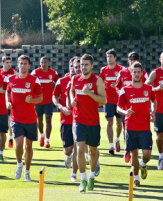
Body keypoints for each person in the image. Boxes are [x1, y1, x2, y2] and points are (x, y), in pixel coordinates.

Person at [69, 54, 106, 192]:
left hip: (93, 121)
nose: (83, 67)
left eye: (86, 65)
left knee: (93, 151)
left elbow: (103, 100)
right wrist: (72, 99)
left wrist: (89, 93)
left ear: (92, 66)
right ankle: (83, 180)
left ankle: (91, 177)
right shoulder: (75, 79)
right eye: (81, 65)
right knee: (79, 148)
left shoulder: (97, 80)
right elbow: (71, 91)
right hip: (78, 119)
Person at [117, 62, 156, 187]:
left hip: (144, 126)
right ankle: (136, 178)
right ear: (131, 73)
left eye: (139, 72)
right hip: (130, 126)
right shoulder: (125, 89)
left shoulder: (148, 88)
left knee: (147, 154)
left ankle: (143, 165)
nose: (137, 74)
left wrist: (153, 112)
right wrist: (125, 111)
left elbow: (153, 101)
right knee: (134, 153)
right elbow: (118, 108)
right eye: (135, 72)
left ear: (142, 73)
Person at [6, 55, 43, 181]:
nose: (23, 65)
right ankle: (19, 164)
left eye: (25, 63)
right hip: (16, 118)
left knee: (28, 147)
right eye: (21, 63)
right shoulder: (11, 79)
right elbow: (8, 91)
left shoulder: (34, 80)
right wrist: (8, 102)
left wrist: (32, 99)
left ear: (29, 66)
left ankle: (27, 171)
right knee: (19, 144)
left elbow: (40, 97)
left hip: (30, 119)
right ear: (17, 65)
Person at [115, 51, 148, 162]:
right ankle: (127, 149)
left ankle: (137, 149)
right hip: (126, 106)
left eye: (135, 59)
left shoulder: (143, 73)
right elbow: (117, 86)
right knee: (127, 128)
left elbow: (148, 86)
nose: (132, 61)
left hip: (140, 105)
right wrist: (123, 94)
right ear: (128, 60)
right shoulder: (122, 72)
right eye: (131, 59)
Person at [53, 57, 78, 182]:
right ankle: (68, 156)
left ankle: (74, 174)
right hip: (66, 120)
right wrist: (61, 107)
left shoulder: (85, 81)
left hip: (80, 121)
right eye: (73, 66)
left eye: (77, 66)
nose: (75, 69)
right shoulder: (61, 81)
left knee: (79, 147)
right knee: (68, 150)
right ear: (70, 67)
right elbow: (54, 96)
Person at [99, 49, 124, 155]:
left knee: (119, 122)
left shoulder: (121, 69)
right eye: (107, 56)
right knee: (109, 122)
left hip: (119, 100)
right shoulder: (103, 70)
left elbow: (126, 83)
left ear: (115, 58)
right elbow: (99, 82)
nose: (108, 59)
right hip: (108, 100)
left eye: (110, 56)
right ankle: (111, 145)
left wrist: (118, 87)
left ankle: (117, 138)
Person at [31, 57, 59, 148]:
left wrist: (56, 94)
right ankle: (42, 134)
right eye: (42, 62)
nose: (43, 64)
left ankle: (47, 140)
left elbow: (58, 84)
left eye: (45, 62)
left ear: (48, 63)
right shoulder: (35, 73)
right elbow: (30, 83)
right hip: (38, 100)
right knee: (39, 120)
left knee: (48, 119)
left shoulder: (53, 73)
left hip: (48, 101)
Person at [0, 56, 17, 149]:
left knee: (10, 119)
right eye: (7, 62)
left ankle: (10, 137)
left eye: (10, 62)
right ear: (3, 63)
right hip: (0, 101)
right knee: (2, 121)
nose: (9, 64)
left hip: (9, 100)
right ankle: (3, 138)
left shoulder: (14, 72)